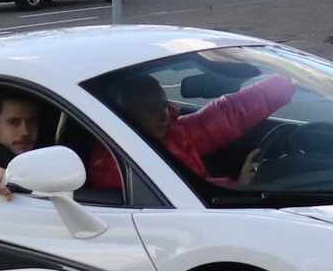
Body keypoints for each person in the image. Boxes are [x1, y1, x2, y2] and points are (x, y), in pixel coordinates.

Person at [100, 65, 293, 186]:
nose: (163, 115)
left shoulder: (171, 132)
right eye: (151, 109)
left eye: (165, 105)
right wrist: (237, 186)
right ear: (124, 116)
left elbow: (227, 115)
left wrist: (286, 82)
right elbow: (181, 197)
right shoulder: (114, 164)